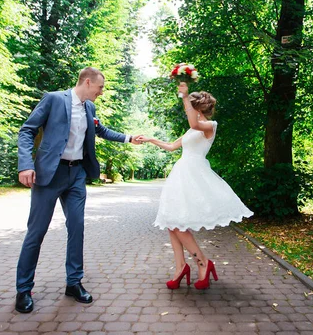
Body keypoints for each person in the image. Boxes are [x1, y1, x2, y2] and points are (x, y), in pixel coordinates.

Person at [15, 67, 142, 313]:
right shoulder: (53, 99)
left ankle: (73, 283)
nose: (101, 93)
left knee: (77, 228)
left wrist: (129, 138)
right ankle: (23, 290)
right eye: (100, 87)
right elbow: (27, 130)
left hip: (76, 175)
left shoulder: (89, 108)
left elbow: (101, 130)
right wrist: (25, 165)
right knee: (36, 232)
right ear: (87, 82)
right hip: (49, 175)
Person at [138, 82, 253, 290]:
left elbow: (193, 123)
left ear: (198, 108)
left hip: (194, 175)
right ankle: (181, 267)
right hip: (181, 175)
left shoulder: (210, 126)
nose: (186, 110)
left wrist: (184, 97)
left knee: (177, 223)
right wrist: (150, 139)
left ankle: (203, 262)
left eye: (190, 106)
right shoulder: (191, 130)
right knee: (172, 222)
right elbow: (172, 146)